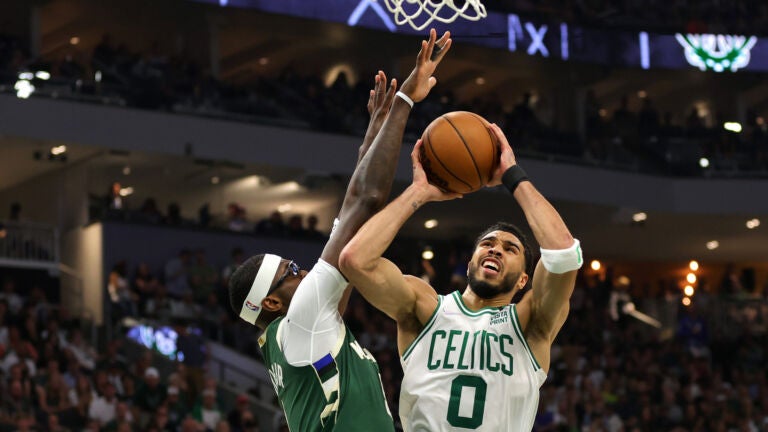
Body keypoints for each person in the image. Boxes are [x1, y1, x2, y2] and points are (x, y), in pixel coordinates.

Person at [227, 29, 452, 431]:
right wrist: (405, 101)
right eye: (291, 271)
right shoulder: (302, 320)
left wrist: (372, 144)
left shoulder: (300, 334)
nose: (302, 271)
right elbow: (363, 203)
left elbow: (354, 220)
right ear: (273, 304)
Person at [340, 123, 583, 431]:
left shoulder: (531, 322)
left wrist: (512, 175)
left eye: (510, 249)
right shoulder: (424, 307)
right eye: (488, 244)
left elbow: (563, 252)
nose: (495, 250)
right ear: (469, 264)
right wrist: (418, 192)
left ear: (524, 280)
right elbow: (355, 260)